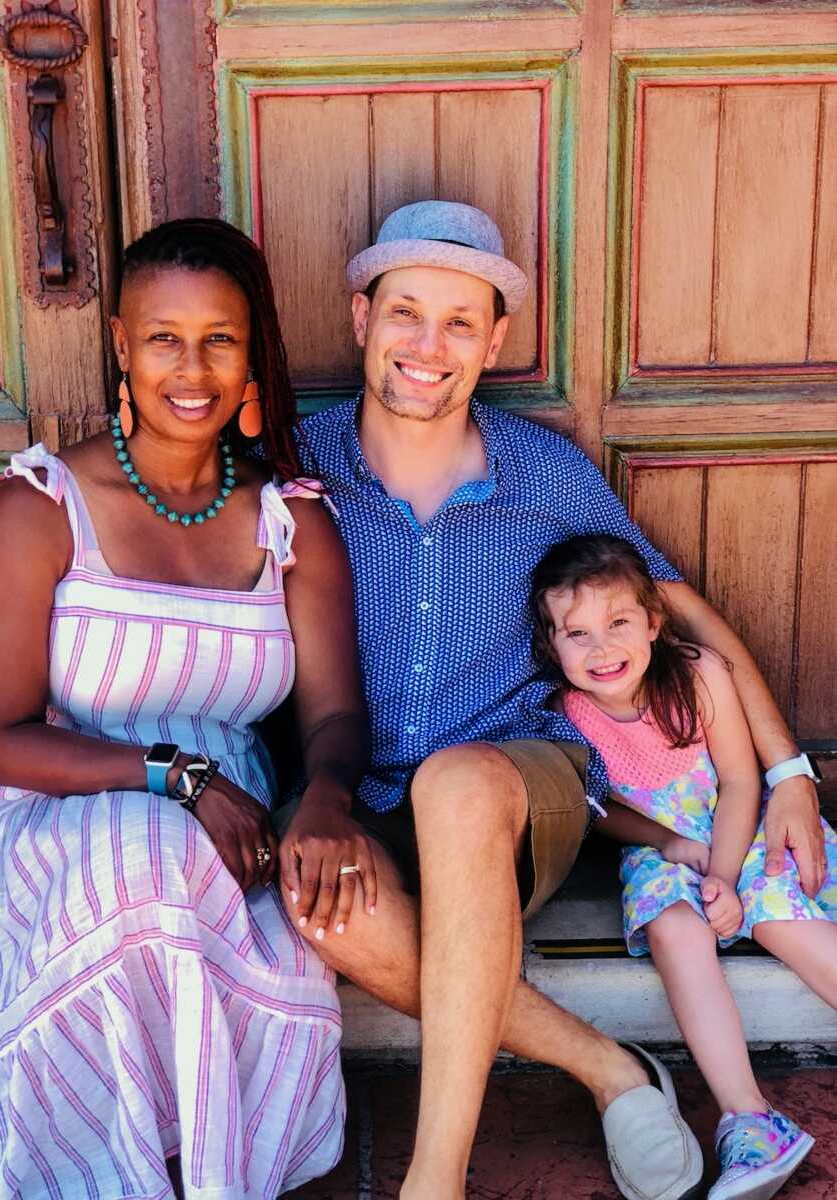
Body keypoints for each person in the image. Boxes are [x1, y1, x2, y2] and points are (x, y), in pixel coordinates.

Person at [274, 200, 829, 1200]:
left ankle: (432, 1181)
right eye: (405, 312)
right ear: (361, 319)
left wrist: (786, 770)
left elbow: (680, 613)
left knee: (458, 785)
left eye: (459, 322)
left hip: (521, 789)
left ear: (495, 341)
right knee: (322, 909)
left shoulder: (546, 475)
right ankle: (612, 1067)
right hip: (357, 789)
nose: (426, 347)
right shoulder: (296, 466)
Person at [0, 218, 371, 1199]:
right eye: (164, 338)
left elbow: (336, 715)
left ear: (253, 352)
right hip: (58, 814)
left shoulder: (289, 518)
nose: (193, 367)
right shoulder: (42, 508)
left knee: (188, 874)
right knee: (145, 860)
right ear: (122, 348)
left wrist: (327, 795)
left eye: (221, 338)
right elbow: (2, 742)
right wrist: (179, 777)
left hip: (231, 839)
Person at [530, 533, 836, 1199]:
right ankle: (752, 1120)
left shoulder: (699, 674)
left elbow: (739, 781)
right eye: (575, 633)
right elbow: (596, 807)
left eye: (617, 624)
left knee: (783, 923)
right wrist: (668, 844)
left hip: (742, 828)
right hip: (659, 848)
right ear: (551, 646)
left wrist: (724, 874)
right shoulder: (565, 715)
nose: (601, 649)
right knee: (672, 925)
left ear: (654, 621)